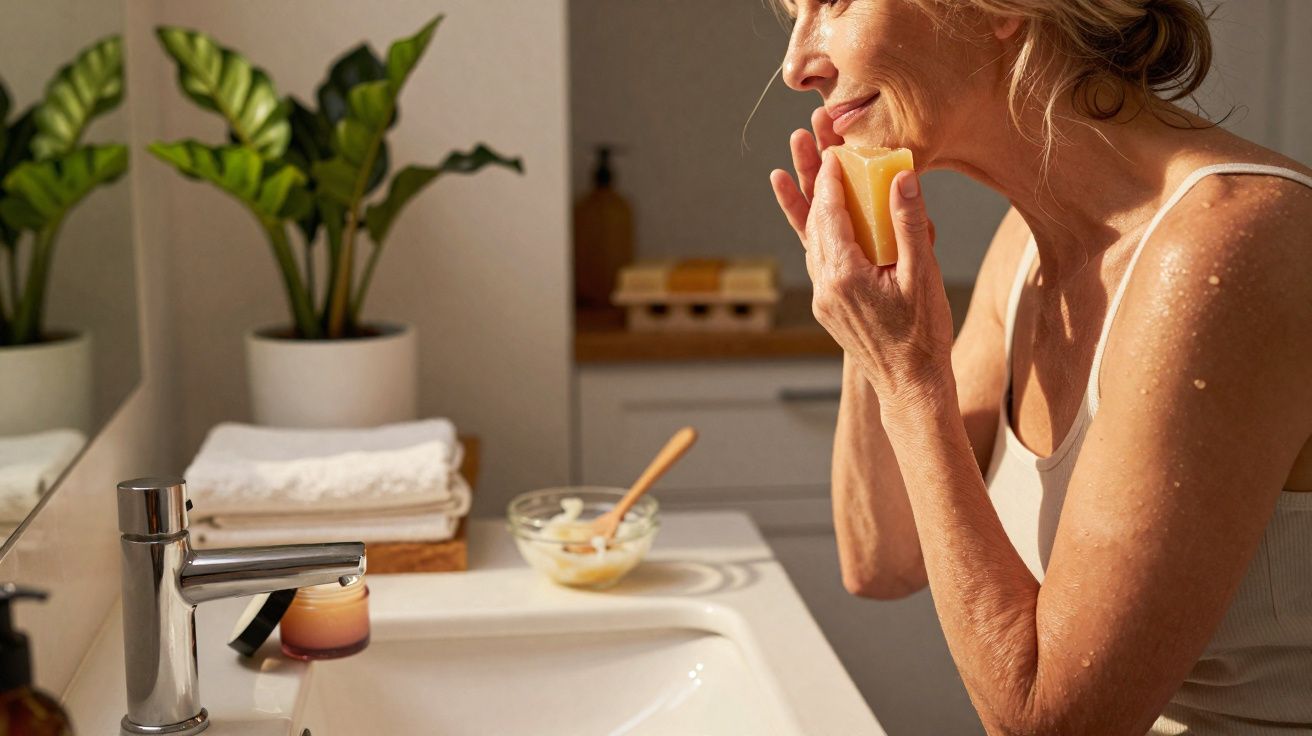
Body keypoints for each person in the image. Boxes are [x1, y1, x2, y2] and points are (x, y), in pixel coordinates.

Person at [768, 1, 1312, 733]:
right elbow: (881, 558)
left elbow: (1048, 721)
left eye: (831, 2)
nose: (798, 64)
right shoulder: (1025, 249)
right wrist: (866, 305)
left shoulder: (1229, 247)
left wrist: (909, 377)